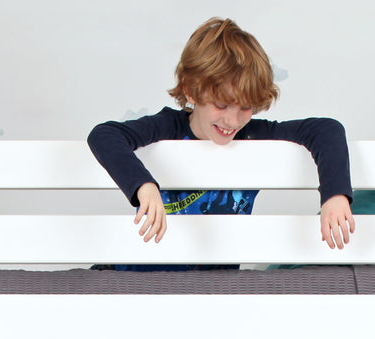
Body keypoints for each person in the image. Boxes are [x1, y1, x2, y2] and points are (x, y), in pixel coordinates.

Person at [87, 17, 354, 258]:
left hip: (213, 285)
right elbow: (104, 134)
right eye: (222, 105)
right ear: (191, 91)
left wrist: (334, 195)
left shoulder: (253, 135)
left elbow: (326, 129)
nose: (232, 121)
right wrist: (144, 186)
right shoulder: (168, 127)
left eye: (245, 107)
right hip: (138, 273)